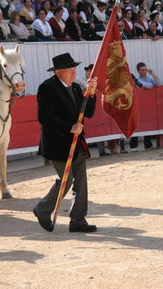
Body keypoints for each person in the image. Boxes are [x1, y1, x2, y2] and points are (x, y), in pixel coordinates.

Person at [33, 52, 97, 233]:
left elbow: (88, 113)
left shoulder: (76, 87)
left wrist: (91, 95)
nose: (74, 73)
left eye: (74, 69)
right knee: (67, 180)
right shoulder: (47, 88)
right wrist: (69, 127)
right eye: (70, 70)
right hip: (58, 143)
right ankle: (42, 209)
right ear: (58, 72)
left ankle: (78, 220)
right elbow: (44, 117)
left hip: (76, 143)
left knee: (81, 182)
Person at [130, 62, 160, 151]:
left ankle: (148, 144)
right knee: (137, 124)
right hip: (138, 105)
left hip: (148, 105)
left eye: (145, 69)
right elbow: (147, 85)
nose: (144, 72)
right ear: (138, 71)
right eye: (142, 70)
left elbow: (159, 83)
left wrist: (153, 74)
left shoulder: (149, 78)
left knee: (148, 123)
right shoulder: (137, 79)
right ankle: (133, 146)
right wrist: (152, 85)